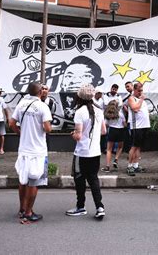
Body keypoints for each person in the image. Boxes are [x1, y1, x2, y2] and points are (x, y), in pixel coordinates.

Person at [9, 82, 52, 223]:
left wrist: (20, 133)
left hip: (23, 148)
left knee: (23, 180)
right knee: (34, 182)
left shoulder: (21, 104)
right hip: (38, 150)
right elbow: (47, 128)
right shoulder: (42, 106)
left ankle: (22, 209)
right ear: (40, 92)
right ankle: (28, 212)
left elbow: (11, 123)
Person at [66, 83, 106, 219]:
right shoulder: (99, 110)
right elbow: (104, 131)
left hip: (82, 153)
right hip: (95, 152)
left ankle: (80, 206)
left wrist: (72, 133)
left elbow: (78, 136)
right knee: (94, 179)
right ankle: (99, 207)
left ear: (80, 97)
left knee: (80, 180)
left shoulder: (80, 112)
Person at [126, 82, 150, 176]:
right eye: (139, 90)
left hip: (144, 125)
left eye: (142, 90)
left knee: (139, 146)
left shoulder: (141, 100)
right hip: (136, 126)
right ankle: (129, 165)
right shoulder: (132, 98)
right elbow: (135, 108)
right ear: (135, 90)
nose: (141, 92)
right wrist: (140, 100)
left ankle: (136, 165)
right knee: (134, 146)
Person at [101, 100, 126, 172]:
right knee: (120, 147)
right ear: (117, 106)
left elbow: (105, 124)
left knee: (109, 149)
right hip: (120, 131)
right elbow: (124, 124)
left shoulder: (108, 114)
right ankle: (116, 159)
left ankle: (107, 166)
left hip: (112, 130)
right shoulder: (120, 114)